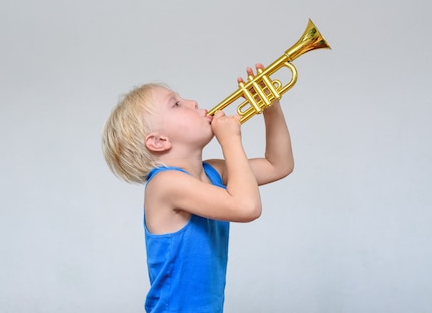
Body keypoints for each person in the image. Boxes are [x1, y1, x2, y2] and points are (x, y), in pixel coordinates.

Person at [102, 64, 294, 313]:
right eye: (176, 104)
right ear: (159, 141)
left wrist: (271, 109)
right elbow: (247, 207)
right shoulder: (164, 184)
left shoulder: (214, 172)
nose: (192, 102)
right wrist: (230, 139)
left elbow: (278, 164)